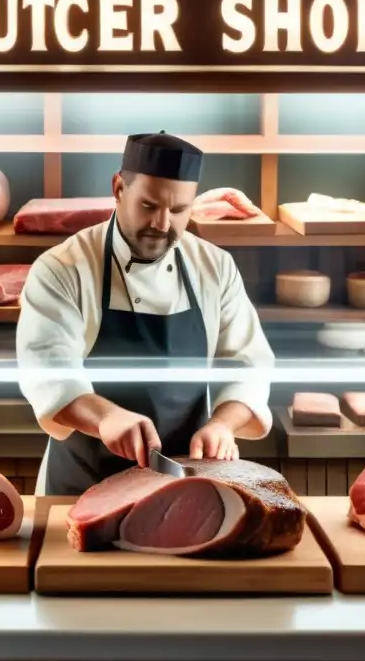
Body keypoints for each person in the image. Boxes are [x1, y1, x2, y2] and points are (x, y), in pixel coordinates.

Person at [16, 131, 275, 496]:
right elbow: (48, 372)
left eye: (180, 210)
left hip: (184, 483)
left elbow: (248, 365)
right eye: (150, 206)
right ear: (119, 188)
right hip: (83, 483)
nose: (163, 225)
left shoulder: (215, 266)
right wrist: (107, 417)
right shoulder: (63, 267)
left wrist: (222, 425)